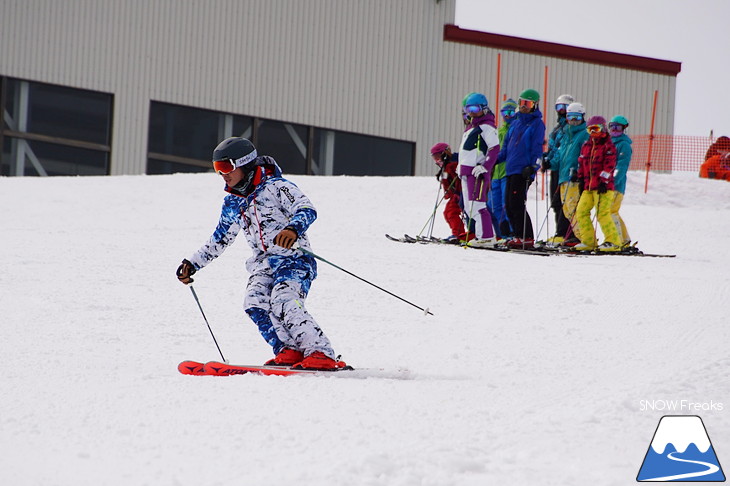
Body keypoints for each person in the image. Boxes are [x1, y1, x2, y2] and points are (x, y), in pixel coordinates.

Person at [175, 137, 347, 370]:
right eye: (217, 169)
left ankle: (320, 352)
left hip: (294, 260)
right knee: (254, 303)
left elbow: (306, 209)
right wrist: (192, 263)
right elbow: (220, 238)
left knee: (284, 300)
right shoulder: (233, 202)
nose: (222, 174)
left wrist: (292, 229)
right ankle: (289, 350)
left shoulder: (278, 187)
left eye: (226, 167)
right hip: (263, 264)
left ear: (244, 163)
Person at [497, 88, 545, 249]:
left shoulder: (537, 124)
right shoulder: (515, 123)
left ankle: (527, 237)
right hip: (510, 169)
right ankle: (517, 235)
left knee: (517, 203)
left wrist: (533, 166)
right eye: (522, 103)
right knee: (508, 204)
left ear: (535, 105)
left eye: (528, 103)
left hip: (523, 170)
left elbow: (537, 147)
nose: (524, 106)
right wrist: (493, 162)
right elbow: (505, 149)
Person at [458, 92, 501, 248]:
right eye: (468, 108)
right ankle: (482, 235)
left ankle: (487, 237)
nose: (472, 112)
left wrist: (485, 167)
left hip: (477, 172)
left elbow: (494, 148)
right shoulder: (471, 127)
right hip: (466, 171)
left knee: (478, 205)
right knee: (469, 208)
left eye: (475, 108)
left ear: (484, 108)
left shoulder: (486, 127)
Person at [574, 116, 622, 252]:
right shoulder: (586, 146)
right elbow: (582, 164)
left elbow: (610, 165)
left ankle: (613, 241)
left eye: (596, 129)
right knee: (581, 212)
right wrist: (580, 179)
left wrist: (604, 180)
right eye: (590, 130)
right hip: (588, 187)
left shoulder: (608, 145)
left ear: (603, 128)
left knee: (602, 213)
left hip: (603, 188)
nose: (593, 133)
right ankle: (589, 241)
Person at [553, 102, 589, 247]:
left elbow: (585, 156)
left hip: (574, 178)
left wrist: (579, 171)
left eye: (577, 117)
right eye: (571, 117)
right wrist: (550, 162)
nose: (574, 120)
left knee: (573, 207)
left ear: (582, 117)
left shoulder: (584, 134)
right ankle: (578, 237)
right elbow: (560, 156)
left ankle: (585, 238)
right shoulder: (566, 134)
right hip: (563, 177)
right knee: (567, 210)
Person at [542, 94, 575, 244]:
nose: (561, 110)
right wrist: (546, 158)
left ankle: (567, 233)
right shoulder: (557, 129)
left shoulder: (569, 128)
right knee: (556, 203)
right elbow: (554, 148)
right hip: (556, 169)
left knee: (564, 203)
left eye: (565, 107)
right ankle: (560, 232)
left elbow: (563, 151)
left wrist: (553, 160)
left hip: (565, 170)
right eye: (558, 107)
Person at [489, 98, 517, 240]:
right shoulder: (499, 130)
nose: (507, 115)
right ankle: (503, 233)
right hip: (496, 173)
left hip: (507, 171)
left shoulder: (515, 128)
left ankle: (513, 232)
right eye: (504, 112)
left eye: (511, 111)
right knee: (495, 205)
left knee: (508, 204)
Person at [430, 142, 466, 241]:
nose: (436, 160)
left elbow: (459, 180)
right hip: (456, 194)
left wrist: (457, 193)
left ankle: (459, 235)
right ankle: (459, 234)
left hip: (461, 194)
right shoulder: (446, 165)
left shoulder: (453, 164)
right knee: (448, 212)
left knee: (451, 212)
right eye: (434, 157)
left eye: (437, 156)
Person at [608, 115, 634, 245]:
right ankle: (624, 239)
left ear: (624, 129)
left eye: (617, 127)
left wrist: (614, 181)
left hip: (616, 186)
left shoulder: (624, 145)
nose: (614, 130)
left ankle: (617, 240)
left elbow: (622, 166)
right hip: (607, 184)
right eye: (611, 127)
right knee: (612, 212)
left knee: (610, 211)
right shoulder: (609, 143)